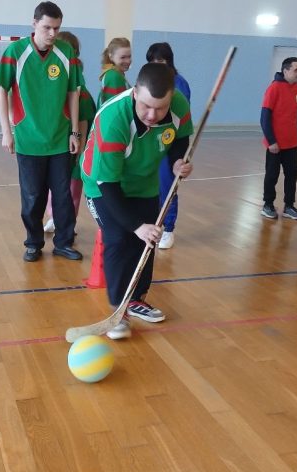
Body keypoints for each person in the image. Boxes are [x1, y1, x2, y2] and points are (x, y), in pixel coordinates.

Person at [81, 63, 193, 340]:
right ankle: (118, 311)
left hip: (144, 182)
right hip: (102, 184)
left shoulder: (179, 104)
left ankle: (136, 300)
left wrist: (177, 162)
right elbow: (108, 185)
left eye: (160, 108)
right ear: (134, 93)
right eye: (146, 106)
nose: (152, 115)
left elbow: (180, 138)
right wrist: (136, 226)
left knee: (147, 241)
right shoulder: (113, 120)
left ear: (171, 98)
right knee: (119, 238)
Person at [0, 1, 83, 262]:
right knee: (33, 196)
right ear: (34, 24)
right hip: (28, 139)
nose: (52, 33)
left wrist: (74, 132)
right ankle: (33, 243)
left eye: (57, 28)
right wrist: (7, 131)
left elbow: (73, 93)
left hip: (60, 139)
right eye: (47, 27)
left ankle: (64, 242)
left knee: (63, 195)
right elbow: (2, 90)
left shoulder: (66, 53)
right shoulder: (15, 52)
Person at [43, 31, 96, 234]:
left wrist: (79, 150)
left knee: (71, 188)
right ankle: (55, 218)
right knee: (54, 185)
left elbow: (82, 120)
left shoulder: (79, 88)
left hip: (74, 149)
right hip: (57, 145)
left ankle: (67, 225)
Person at [145, 42, 192, 249]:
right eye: (153, 62)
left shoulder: (179, 84)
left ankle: (168, 228)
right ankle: (151, 225)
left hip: (169, 143)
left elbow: (180, 118)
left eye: (161, 61)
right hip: (150, 143)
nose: (157, 65)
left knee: (167, 186)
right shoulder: (149, 81)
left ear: (169, 61)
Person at [260, 57, 297, 221]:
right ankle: (268, 205)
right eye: (296, 70)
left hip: (291, 143)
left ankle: (289, 206)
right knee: (272, 175)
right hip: (275, 144)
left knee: (292, 174)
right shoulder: (274, 88)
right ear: (285, 71)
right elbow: (264, 118)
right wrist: (271, 141)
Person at [97, 37, 132, 109]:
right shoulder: (113, 76)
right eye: (123, 57)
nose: (128, 61)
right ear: (111, 57)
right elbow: (117, 108)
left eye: (129, 56)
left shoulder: (115, 74)